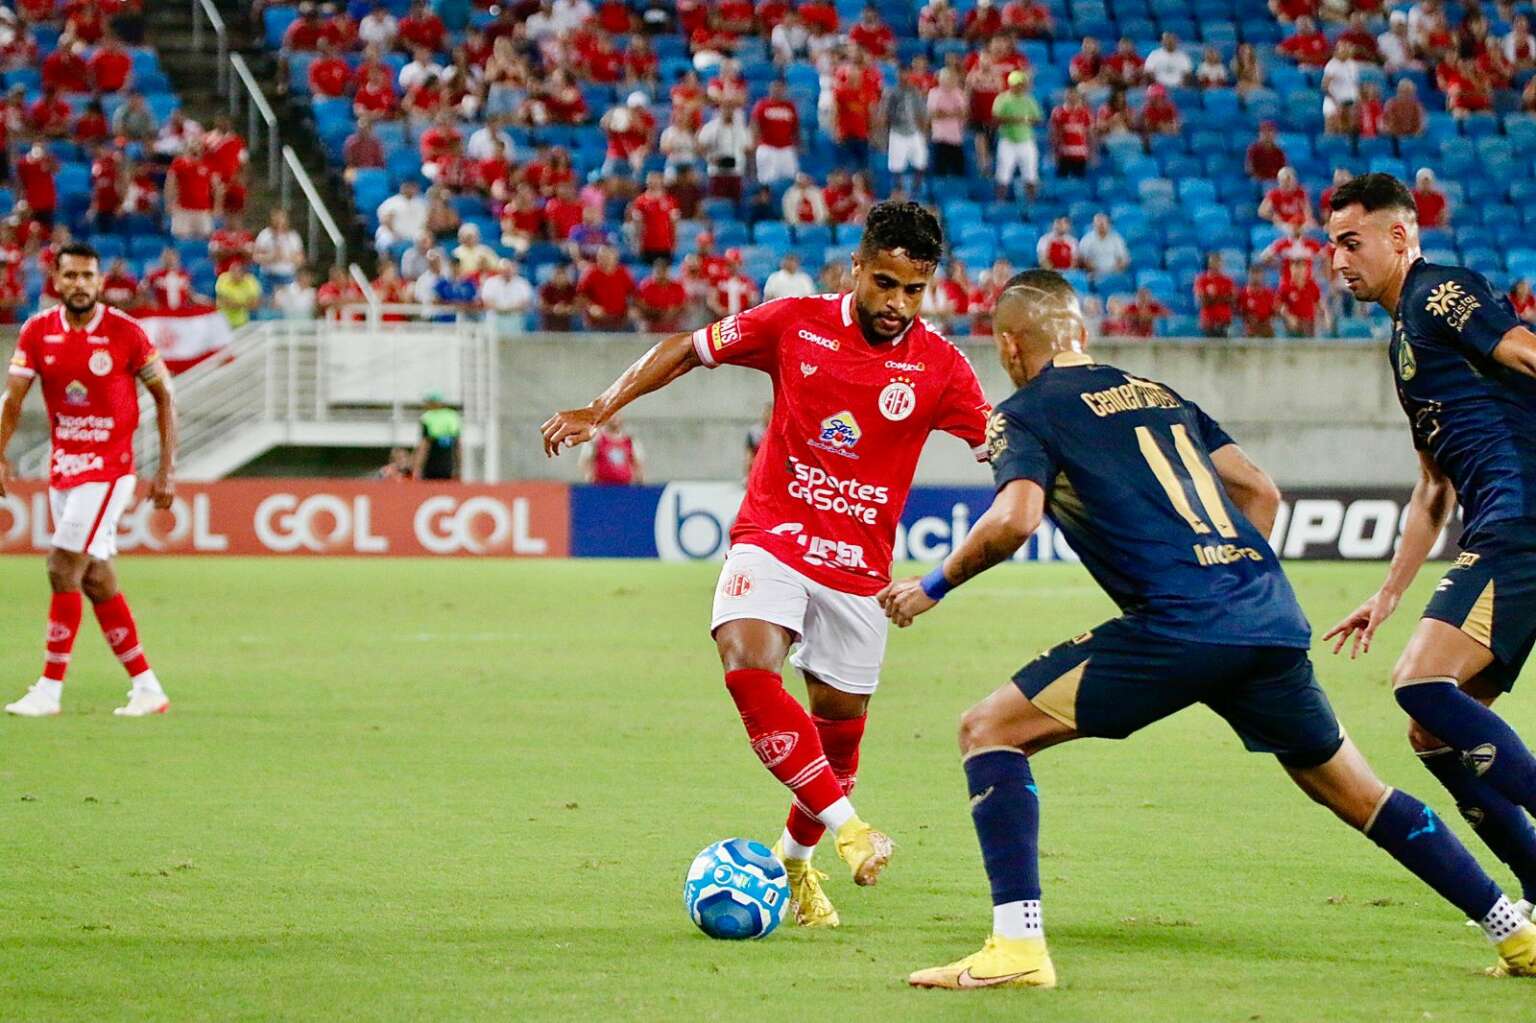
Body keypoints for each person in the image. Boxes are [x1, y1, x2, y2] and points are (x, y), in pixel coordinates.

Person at [880, 267, 1536, 990]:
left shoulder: (1026, 410)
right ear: (1082, 332)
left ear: (1009, 344)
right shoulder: (1161, 393)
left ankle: (1017, 947)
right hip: (1266, 615)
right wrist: (1224, 577)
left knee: (988, 729)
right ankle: (1515, 931)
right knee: (1360, 793)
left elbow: (1013, 520)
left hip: (1177, 626)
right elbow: (1261, 489)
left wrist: (932, 586)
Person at [541, 201, 991, 928]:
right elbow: (688, 347)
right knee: (748, 664)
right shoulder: (794, 322)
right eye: (885, 283)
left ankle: (793, 859)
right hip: (775, 536)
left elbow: (1002, 449)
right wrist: (603, 405)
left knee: (839, 739)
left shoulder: (940, 365)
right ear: (857, 266)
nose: (898, 303)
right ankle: (850, 829)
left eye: (915, 290)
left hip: (860, 570)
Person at [1325, 172, 1536, 922]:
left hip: (1522, 517)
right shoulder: (1402, 337)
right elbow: (1431, 491)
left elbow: (1524, 351)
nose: (1338, 260)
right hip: (1496, 521)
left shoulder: (1440, 292)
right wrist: (1385, 597)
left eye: (1353, 242)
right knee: (1430, 729)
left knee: (1419, 684)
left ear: (1399, 236)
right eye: (1331, 246)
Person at [1, 243, 177, 718]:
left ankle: (49, 690)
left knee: (62, 567)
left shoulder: (125, 332)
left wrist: (165, 469)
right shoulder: (38, 331)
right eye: (71, 275)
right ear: (56, 281)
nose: (80, 283)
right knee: (95, 578)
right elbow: (13, 399)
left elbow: (164, 395)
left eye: (88, 276)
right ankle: (147, 687)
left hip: (109, 468)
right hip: (64, 468)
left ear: (100, 281)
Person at [992, 70, 1042, 200]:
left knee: (1031, 174)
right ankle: (1000, 203)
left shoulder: (1029, 100)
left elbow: (1038, 118)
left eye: (1022, 84)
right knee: (1003, 175)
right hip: (1008, 140)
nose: (1021, 86)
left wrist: (1027, 120)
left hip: (1026, 140)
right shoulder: (1002, 99)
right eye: (1018, 84)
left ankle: (1032, 205)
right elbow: (996, 118)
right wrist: (1015, 120)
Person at [580, 416, 645, 485]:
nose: (615, 419)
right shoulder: (596, 439)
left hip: (625, 486)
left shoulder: (629, 440)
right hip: (602, 486)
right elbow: (586, 460)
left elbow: (638, 463)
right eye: (612, 416)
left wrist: (639, 479)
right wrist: (589, 476)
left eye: (617, 416)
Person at [413, 391, 460, 481]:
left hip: (429, 468)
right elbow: (457, 446)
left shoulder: (428, 417)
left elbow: (424, 447)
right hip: (448, 467)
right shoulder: (453, 417)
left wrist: (417, 468)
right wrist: (459, 468)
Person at [1193, 252, 1236, 338]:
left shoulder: (1228, 280)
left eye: (1218, 261)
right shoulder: (1201, 280)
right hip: (1208, 322)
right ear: (1208, 263)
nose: (1215, 264)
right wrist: (1223, 298)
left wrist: (1213, 298)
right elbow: (1203, 301)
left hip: (1225, 322)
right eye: (1213, 262)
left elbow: (1232, 300)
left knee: (1227, 349)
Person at [215, 258, 262, 329]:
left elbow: (255, 305)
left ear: (243, 273)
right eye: (232, 271)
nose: (234, 274)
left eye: (238, 271)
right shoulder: (223, 279)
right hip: (223, 321)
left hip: (244, 321)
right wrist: (245, 303)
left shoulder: (251, 280)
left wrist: (235, 303)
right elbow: (226, 303)